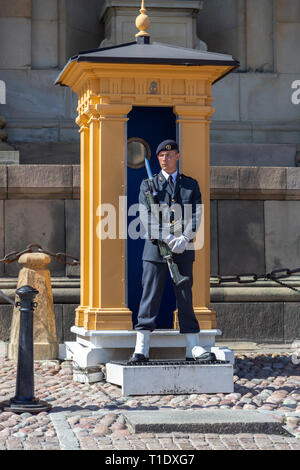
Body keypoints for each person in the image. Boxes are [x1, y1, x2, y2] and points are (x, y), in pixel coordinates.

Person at [130, 139, 216, 363]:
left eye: (169, 155)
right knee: (150, 296)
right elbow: (146, 215)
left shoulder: (190, 185)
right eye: (161, 156)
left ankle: (193, 347)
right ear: (158, 158)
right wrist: (166, 237)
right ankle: (142, 347)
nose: (165, 159)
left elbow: (197, 213)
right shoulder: (148, 185)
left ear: (178, 156)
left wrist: (185, 238)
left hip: (182, 249)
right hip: (156, 249)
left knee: (185, 296)